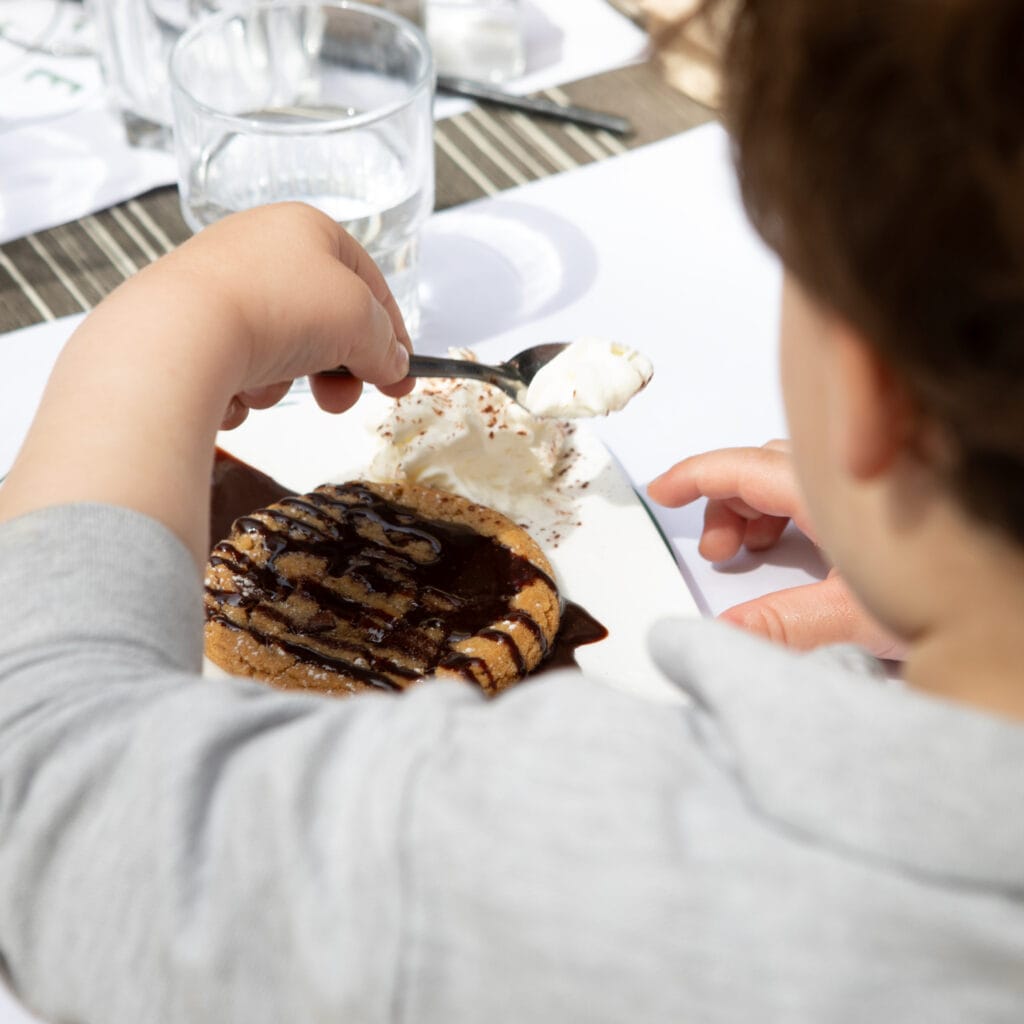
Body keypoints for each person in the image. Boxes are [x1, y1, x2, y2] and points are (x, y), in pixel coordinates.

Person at [2, 1, 1024, 1021]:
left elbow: (55, 803)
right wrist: (961, 574)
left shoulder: (581, 844)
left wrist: (172, 320)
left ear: (873, 394)